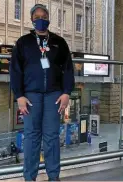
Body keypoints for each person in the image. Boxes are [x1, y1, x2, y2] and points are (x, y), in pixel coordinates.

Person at [10, 4, 74, 181]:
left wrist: (67, 92)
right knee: (31, 137)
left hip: (54, 94)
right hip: (31, 96)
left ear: (48, 18)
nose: (41, 19)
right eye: (37, 16)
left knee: (52, 136)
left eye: (44, 16)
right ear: (32, 20)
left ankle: (54, 176)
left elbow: (68, 68)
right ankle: (29, 177)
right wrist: (19, 96)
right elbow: (15, 70)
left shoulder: (59, 42)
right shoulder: (23, 42)